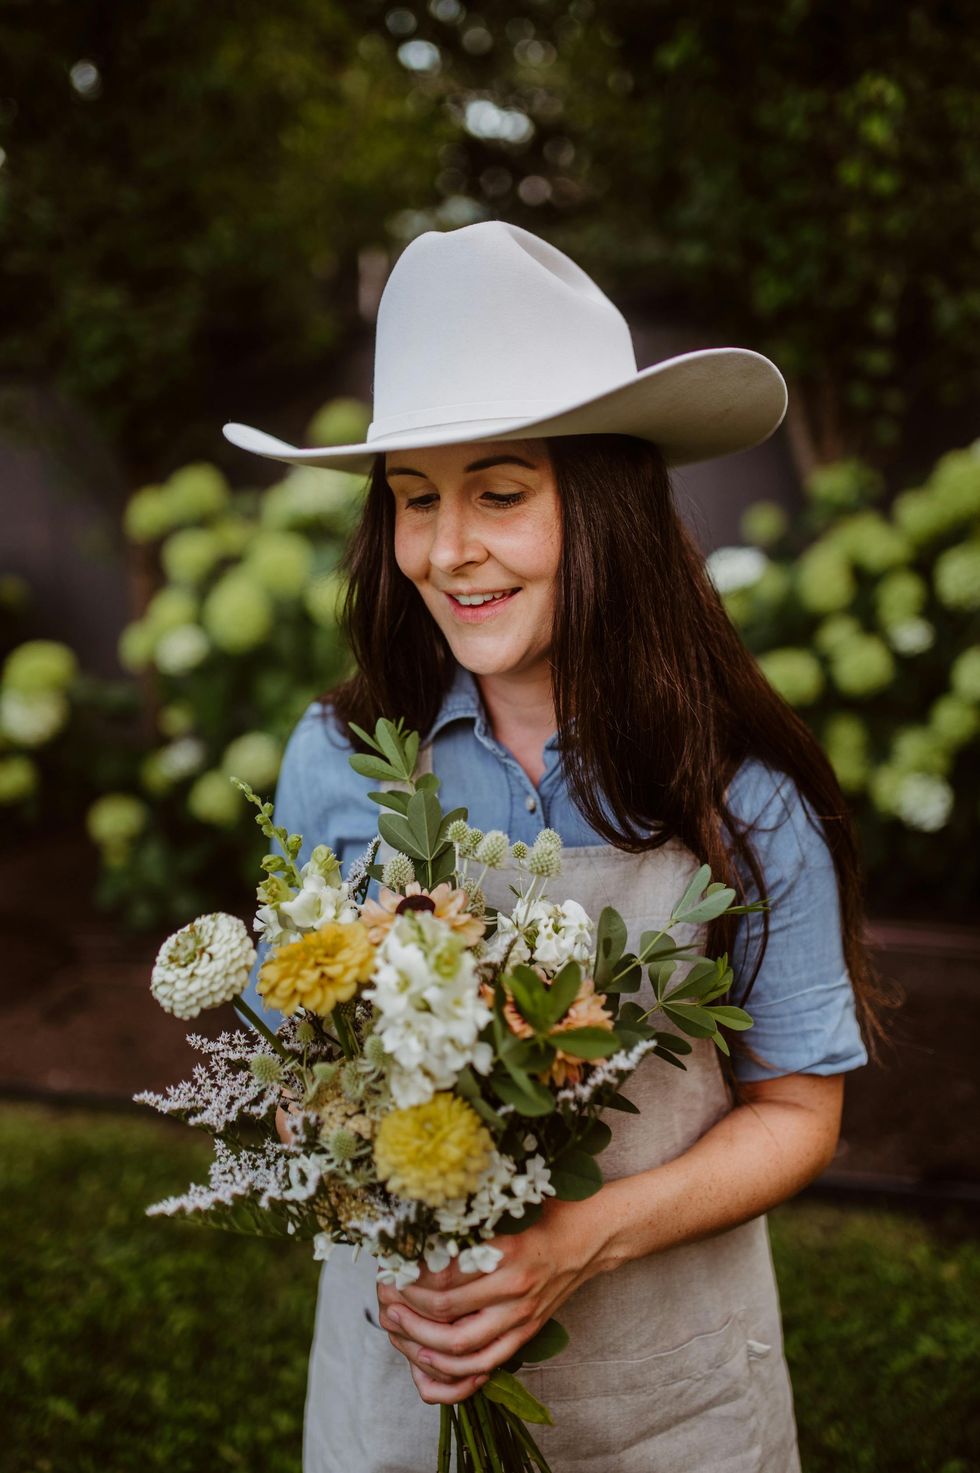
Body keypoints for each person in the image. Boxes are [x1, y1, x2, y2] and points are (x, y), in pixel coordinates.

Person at [223, 221, 885, 1473]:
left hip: (668, 1394)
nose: (447, 546)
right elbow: (289, 1056)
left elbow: (797, 1108)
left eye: (501, 492)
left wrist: (584, 1232)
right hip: (404, 1378)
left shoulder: (740, 798)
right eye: (414, 498)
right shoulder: (342, 758)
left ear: (609, 506)